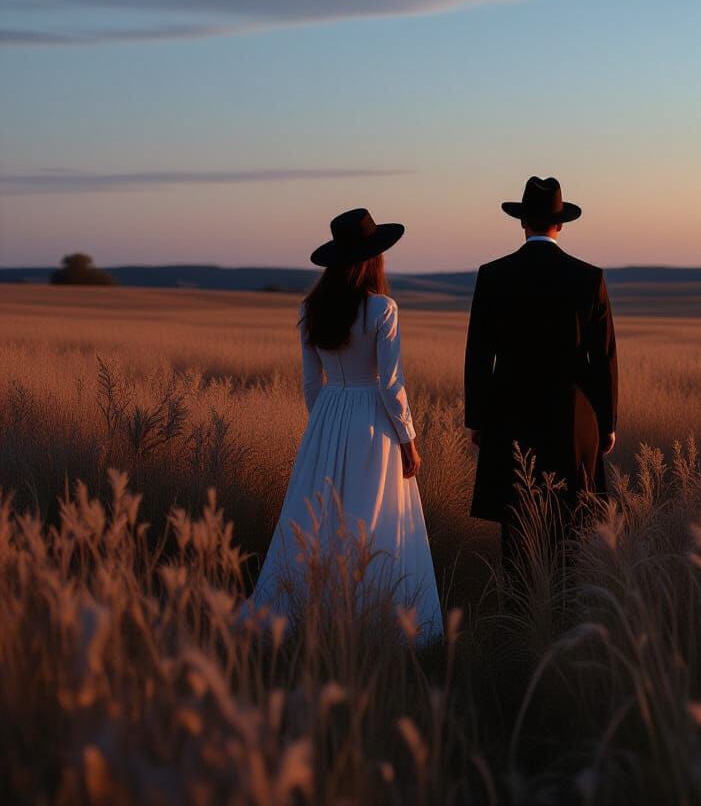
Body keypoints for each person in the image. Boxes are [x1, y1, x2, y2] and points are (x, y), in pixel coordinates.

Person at [249, 208, 442, 641]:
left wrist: (323, 427)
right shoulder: (382, 308)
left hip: (327, 416)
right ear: (374, 259)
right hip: (372, 420)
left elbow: (309, 383)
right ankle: (374, 618)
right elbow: (392, 385)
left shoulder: (312, 309)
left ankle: (307, 612)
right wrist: (409, 439)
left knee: (319, 516)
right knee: (374, 514)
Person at [464, 176, 618, 564]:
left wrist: (477, 420)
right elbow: (603, 358)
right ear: (561, 224)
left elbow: (479, 355)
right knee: (570, 524)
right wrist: (608, 422)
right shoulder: (590, 278)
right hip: (574, 416)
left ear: (521, 222)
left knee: (515, 523)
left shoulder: (493, 275)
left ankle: (517, 614)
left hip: (508, 413)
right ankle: (561, 613)